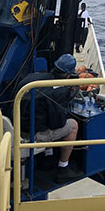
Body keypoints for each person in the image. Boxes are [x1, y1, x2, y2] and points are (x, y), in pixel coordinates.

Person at [18, 54, 82, 183]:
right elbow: (57, 124)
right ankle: (63, 167)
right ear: (68, 75)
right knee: (72, 125)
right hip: (30, 135)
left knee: (43, 116)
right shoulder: (59, 92)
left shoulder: (32, 77)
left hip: (16, 125)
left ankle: (48, 158)